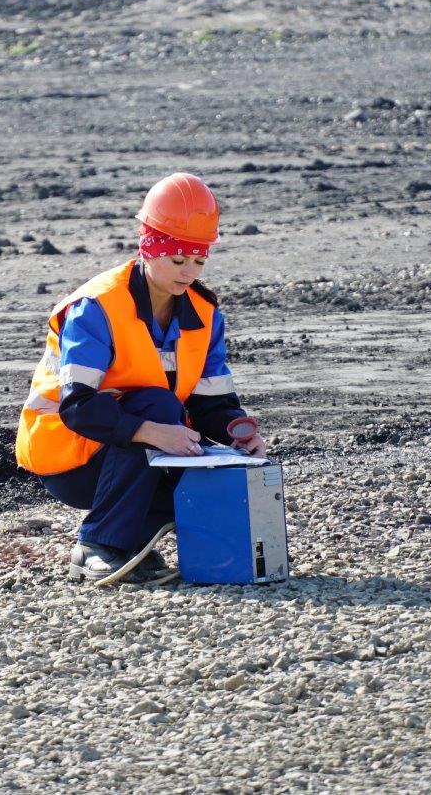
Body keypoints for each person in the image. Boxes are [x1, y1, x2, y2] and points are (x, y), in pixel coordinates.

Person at [15, 173, 266, 582]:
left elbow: (209, 404)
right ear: (149, 248)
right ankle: (97, 544)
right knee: (160, 406)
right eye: (178, 260)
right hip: (69, 457)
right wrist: (151, 431)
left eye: (200, 260)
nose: (189, 273)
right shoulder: (95, 307)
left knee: (220, 470)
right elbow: (77, 407)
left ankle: (135, 541)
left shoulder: (203, 314)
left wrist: (237, 432)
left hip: (132, 449)